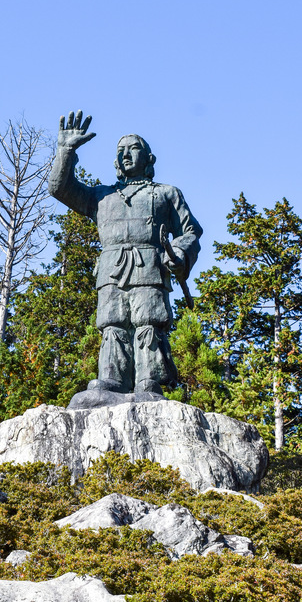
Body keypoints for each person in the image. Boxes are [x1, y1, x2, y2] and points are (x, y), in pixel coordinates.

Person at [49, 110, 203, 395]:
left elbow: (191, 231)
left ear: (148, 159)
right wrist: (65, 151)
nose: (126, 155)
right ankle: (112, 379)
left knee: (148, 322)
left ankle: (150, 380)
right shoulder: (101, 196)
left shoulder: (167, 193)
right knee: (113, 323)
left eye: (133, 149)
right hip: (111, 269)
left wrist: (179, 253)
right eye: (120, 150)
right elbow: (60, 189)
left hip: (150, 267)